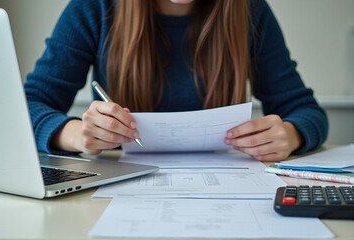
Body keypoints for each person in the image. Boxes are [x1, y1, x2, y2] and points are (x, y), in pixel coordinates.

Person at [24, 0, 328, 161]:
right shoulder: (94, 8)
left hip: (224, 193)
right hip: (115, 188)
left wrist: (291, 134)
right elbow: (25, 106)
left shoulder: (250, 11)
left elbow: (306, 111)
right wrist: (76, 135)